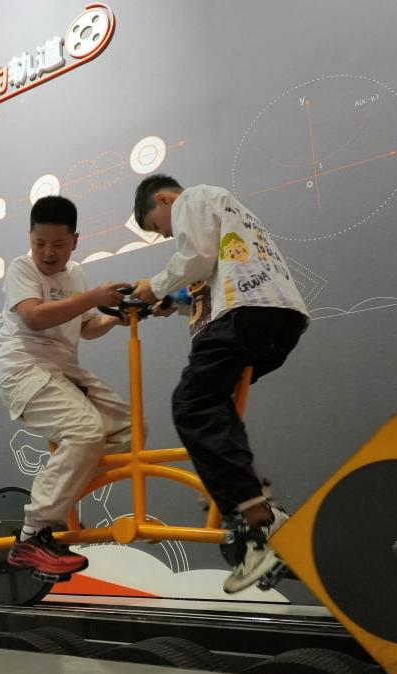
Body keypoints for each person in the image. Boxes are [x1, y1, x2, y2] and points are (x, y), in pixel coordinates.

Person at [131, 175, 308, 593]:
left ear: (164, 199)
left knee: (191, 405)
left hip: (242, 312)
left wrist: (152, 286)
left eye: (158, 227)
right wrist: (171, 302)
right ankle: (254, 495)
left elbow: (196, 256)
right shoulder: (224, 210)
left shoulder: (191, 200)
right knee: (215, 403)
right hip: (278, 316)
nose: (166, 234)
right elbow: (214, 268)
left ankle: (255, 523)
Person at [0, 195, 134, 579]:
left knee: (128, 429)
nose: (48, 252)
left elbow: (87, 327)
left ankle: (56, 502)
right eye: (39, 243)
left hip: (64, 372)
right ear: (30, 238)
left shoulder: (76, 276)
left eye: (58, 244)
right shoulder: (21, 268)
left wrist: (116, 317)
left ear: (74, 241)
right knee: (86, 431)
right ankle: (33, 534)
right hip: (25, 370)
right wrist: (93, 298)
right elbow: (34, 317)